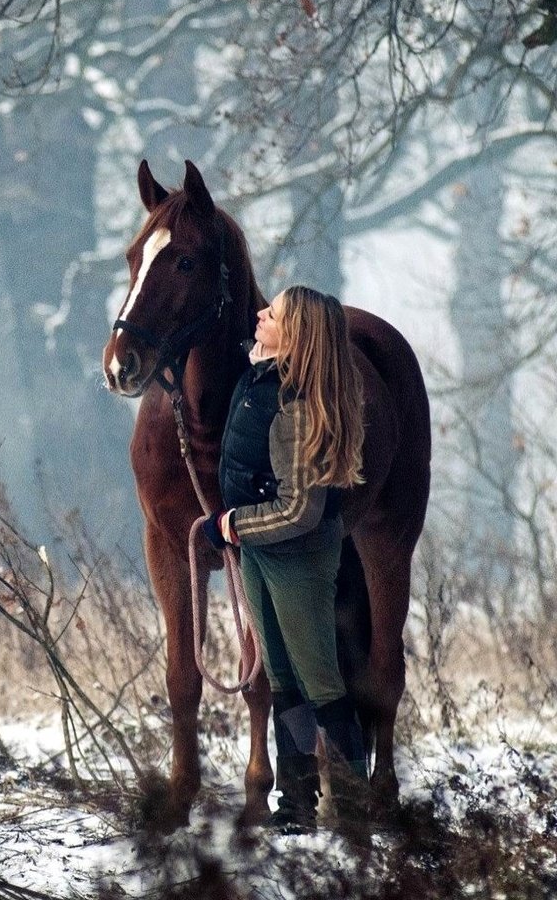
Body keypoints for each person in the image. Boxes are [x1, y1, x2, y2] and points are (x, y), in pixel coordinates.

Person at [202, 285, 368, 834]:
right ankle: (296, 806)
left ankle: (353, 811)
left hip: (294, 554)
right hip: (261, 552)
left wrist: (232, 525)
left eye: (270, 314)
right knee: (283, 680)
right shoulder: (261, 380)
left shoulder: (295, 406)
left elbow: (299, 510)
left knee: (320, 682)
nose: (259, 314)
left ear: (293, 335)